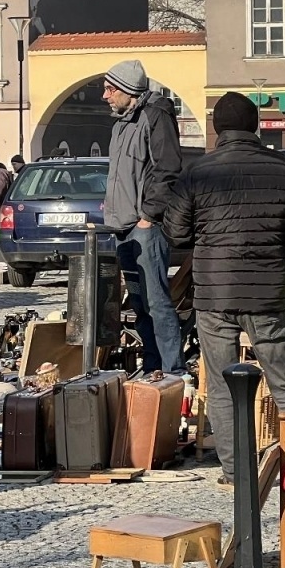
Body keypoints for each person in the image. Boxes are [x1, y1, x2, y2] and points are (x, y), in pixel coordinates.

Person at [164, 93, 285, 487]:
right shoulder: (284, 169)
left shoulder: (198, 172)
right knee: (284, 380)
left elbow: (177, 231)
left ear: (217, 129)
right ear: (256, 126)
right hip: (268, 292)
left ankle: (236, 472)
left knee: (220, 383)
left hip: (214, 293)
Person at [102, 60, 187, 377]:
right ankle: (153, 367)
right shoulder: (120, 123)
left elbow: (167, 169)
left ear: (127, 90)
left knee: (156, 302)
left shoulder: (155, 114)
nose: (105, 96)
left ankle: (172, 369)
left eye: (110, 89)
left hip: (145, 229)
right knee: (139, 303)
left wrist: (149, 216)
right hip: (122, 228)